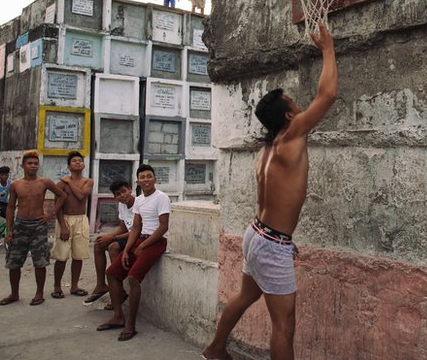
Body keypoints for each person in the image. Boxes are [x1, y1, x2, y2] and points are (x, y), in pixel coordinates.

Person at [203, 22, 337, 360]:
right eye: (294, 103)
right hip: (270, 242)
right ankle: (215, 349)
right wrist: (328, 49)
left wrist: (282, 241)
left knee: (245, 297)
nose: (300, 106)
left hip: (258, 234)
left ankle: (215, 349)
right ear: (289, 115)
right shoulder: (292, 134)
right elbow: (327, 95)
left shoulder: (267, 149)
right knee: (284, 324)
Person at [97, 164, 170, 342]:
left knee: (133, 278)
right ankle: (118, 316)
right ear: (138, 181)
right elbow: (136, 227)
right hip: (140, 240)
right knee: (111, 273)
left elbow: (163, 227)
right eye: (142, 177)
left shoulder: (162, 197)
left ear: (155, 179)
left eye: (149, 176)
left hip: (156, 242)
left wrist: (143, 245)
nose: (146, 180)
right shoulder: (139, 201)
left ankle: (131, 324)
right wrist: (126, 250)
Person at [0, 150, 66, 306]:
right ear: (23, 165)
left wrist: (51, 214)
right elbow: (10, 207)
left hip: (38, 226)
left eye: (36, 163)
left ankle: (39, 294)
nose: (33, 166)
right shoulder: (16, 185)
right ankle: (14, 294)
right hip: (20, 225)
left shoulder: (44, 182)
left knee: (40, 262)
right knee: (14, 262)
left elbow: (62, 195)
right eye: (30, 163)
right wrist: (9, 230)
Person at [83, 180, 136, 306]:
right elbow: (123, 227)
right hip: (128, 236)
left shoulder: (139, 204)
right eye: (118, 194)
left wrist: (113, 238)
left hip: (139, 237)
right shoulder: (122, 205)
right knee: (99, 244)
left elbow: (137, 231)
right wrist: (107, 236)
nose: (122, 195)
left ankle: (118, 289)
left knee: (113, 246)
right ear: (115, 197)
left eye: (124, 191)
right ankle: (101, 285)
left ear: (130, 189)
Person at [50, 151, 94, 298]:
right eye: (74, 161)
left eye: (80, 161)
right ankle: (57, 286)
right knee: (61, 256)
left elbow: (81, 196)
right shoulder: (61, 184)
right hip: (65, 219)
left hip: (81, 219)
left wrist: (69, 182)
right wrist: (63, 225)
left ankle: (74, 286)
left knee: (78, 255)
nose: (77, 162)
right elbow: (57, 206)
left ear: (83, 165)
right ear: (69, 166)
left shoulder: (87, 182)